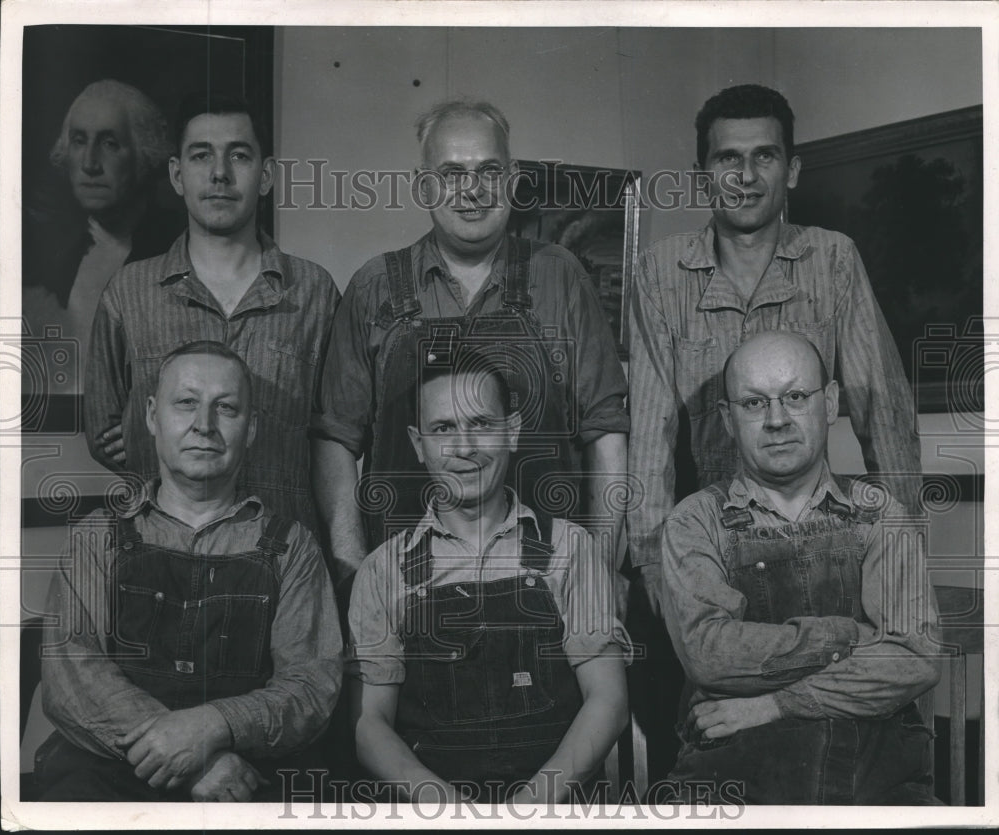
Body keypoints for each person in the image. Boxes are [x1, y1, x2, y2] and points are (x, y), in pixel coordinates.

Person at [627, 84, 922, 618]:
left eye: (765, 155)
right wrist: (650, 556)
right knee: (717, 693)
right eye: (728, 159)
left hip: (822, 540)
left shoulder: (832, 260)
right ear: (702, 177)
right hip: (709, 549)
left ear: (791, 170)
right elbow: (652, 427)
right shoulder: (660, 272)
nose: (746, 176)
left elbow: (885, 412)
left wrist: (904, 544)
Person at [314, 99, 629, 593]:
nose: (472, 191)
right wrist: (353, 569)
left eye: (488, 170)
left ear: (512, 178)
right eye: (451, 173)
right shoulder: (374, 287)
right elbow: (336, 439)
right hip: (407, 587)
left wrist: (603, 570)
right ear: (424, 188)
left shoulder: (560, 274)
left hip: (547, 583)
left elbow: (604, 429)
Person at [36, 342, 342, 802]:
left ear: (252, 428)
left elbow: (310, 688)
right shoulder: (95, 539)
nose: (204, 425)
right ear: (152, 416)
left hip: (244, 779)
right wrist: (194, 759)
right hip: (109, 777)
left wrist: (213, 726)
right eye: (186, 403)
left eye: (226, 408)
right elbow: (71, 677)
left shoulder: (292, 548)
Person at [660, 331, 940, 805]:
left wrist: (772, 705)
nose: (776, 420)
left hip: (876, 778)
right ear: (728, 419)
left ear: (829, 403)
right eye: (753, 403)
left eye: (794, 396)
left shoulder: (879, 514)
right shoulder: (695, 522)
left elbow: (915, 657)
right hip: (733, 781)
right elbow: (709, 653)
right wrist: (851, 638)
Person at [348, 344, 630, 803]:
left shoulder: (570, 548)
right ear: (419, 444)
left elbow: (609, 701)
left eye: (480, 424)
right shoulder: (383, 571)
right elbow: (369, 725)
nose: (464, 448)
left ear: (512, 432)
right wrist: (450, 812)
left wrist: (529, 808)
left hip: (552, 811)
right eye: (444, 428)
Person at [84, 91, 339, 534]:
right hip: (161, 559)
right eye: (201, 156)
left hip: (283, 561)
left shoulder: (315, 292)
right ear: (177, 175)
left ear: (265, 176)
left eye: (238, 155)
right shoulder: (129, 293)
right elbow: (106, 433)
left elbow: (334, 438)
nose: (219, 174)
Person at [23, 79, 181, 364]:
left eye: (110, 143)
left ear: (145, 154)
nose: (90, 164)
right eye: (79, 141)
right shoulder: (48, 260)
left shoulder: (181, 254)